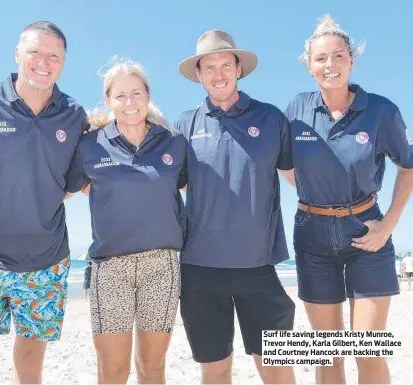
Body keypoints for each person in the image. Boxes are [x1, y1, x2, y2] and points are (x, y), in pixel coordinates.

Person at [0, 21, 89, 384]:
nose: (43, 61)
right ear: (17, 54)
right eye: (35, 52)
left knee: (30, 367)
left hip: (45, 265)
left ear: (64, 62)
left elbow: (69, 186)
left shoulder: (73, 114)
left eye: (53, 55)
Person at [283, 15, 413, 384]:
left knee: (368, 350)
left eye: (339, 56)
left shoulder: (381, 110)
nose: (331, 65)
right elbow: (282, 163)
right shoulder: (297, 109)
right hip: (311, 236)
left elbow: (409, 166)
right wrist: (316, 195)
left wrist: (389, 224)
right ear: (309, 66)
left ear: (351, 60)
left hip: (366, 233)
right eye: (321, 59)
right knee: (328, 356)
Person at [175, 30, 295, 384]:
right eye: (208, 67)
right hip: (199, 268)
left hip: (258, 266)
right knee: (214, 367)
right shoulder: (183, 124)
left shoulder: (272, 118)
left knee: (275, 366)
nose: (218, 74)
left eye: (225, 64)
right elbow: (167, 183)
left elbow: (300, 179)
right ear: (198, 74)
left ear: (238, 68)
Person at [66, 59, 187, 384]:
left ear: (148, 95)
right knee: (113, 371)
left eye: (136, 93)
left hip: (161, 267)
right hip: (110, 269)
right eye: (120, 95)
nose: (129, 102)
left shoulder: (173, 142)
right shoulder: (90, 144)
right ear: (108, 100)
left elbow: (198, 190)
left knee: (152, 368)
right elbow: (64, 190)